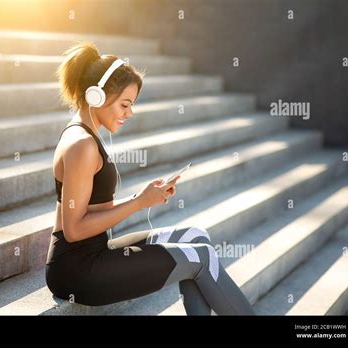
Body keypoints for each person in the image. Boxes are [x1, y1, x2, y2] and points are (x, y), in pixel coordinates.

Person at [45, 42, 255, 315]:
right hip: (78, 270)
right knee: (200, 257)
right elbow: (73, 230)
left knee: (195, 237)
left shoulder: (85, 135)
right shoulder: (81, 144)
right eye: (124, 104)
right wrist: (139, 202)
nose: (129, 113)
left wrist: (141, 198)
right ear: (96, 95)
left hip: (97, 251)